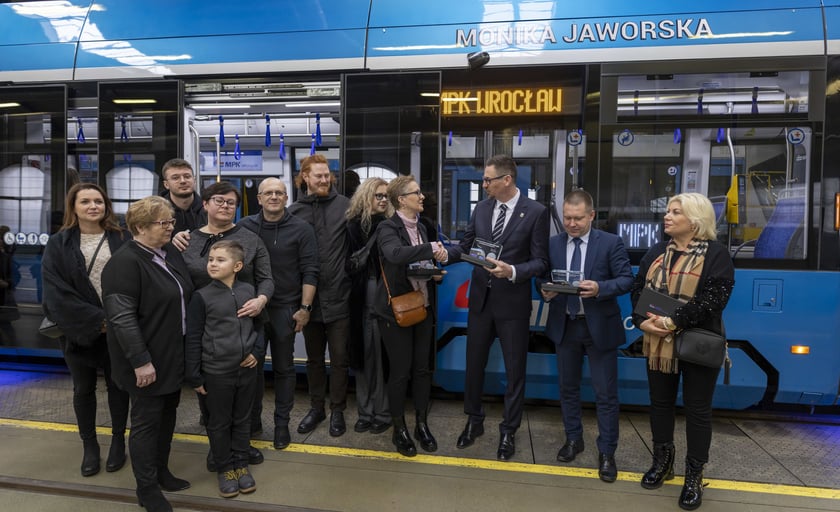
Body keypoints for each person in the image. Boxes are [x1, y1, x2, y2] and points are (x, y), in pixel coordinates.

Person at [630, 193, 735, 511]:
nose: (667, 216)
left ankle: (693, 474)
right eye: (668, 211)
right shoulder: (656, 252)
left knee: (698, 411)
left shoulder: (717, 256)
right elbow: (638, 291)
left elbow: (713, 301)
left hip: (697, 343)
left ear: (695, 220)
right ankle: (663, 460)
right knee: (660, 404)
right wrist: (642, 323)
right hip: (657, 342)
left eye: (676, 212)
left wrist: (673, 321)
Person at [444, 155, 549, 461]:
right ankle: (474, 421)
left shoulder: (536, 212)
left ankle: (508, 430)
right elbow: (465, 247)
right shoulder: (481, 208)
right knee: (473, 365)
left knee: (516, 369)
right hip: (481, 301)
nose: (484, 184)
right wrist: (440, 254)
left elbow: (541, 261)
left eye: (488, 179)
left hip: (512, 303)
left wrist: (513, 271)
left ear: (507, 180)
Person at [102, 196, 194, 512]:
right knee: (146, 423)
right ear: (140, 227)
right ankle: (147, 489)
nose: (171, 227)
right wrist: (141, 361)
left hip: (171, 354)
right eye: (164, 223)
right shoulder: (124, 263)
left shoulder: (166, 254)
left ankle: (162, 470)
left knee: (167, 416)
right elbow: (121, 318)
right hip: (146, 360)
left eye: (171, 221)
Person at [176, 181, 273, 471]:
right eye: (218, 201)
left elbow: (267, 277)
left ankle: (239, 444)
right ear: (204, 204)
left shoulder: (251, 239)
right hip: (204, 326)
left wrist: (261, 299)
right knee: (211, 390)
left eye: (231, 202)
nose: (225, 206)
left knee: (247, 389)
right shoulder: (185, 240)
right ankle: (219, 447)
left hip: (245, 320)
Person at [539, 189, 633, 483]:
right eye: (567, 217)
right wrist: (545, 291)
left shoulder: (610, 243)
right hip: (565, 325)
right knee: (567, 389)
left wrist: (600, 289)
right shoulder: (553, 243)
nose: (572, 224)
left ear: (592, 215)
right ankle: (573, 440)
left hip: (599, 328)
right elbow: (542, 278)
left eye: (578, 218)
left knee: (605, 394)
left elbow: (627, 279)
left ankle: (606, 452)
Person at [42, 183, 131, 477]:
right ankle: (90, 447)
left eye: (98, 201)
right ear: (74, 207)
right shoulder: (59, 243)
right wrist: (98, 320)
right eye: (86, 202)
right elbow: (55, 292)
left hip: (118, 329)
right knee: (83, 389)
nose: (93, 206)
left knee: (119, 387)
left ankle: (119, 441)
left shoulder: (121, 238)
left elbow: (135, 281)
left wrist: (115, 320)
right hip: (77, 331)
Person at [239, 178, 318, 450]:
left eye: (279, 193)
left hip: (286, 309)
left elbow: (310, 270)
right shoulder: (244, 227)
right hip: (253, 311)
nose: (274, 196)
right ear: (259, 198)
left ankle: (281, 424)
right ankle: (253, 421)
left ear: (286, 198)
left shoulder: (302, 229)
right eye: (268, 193)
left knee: (285, 369)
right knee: (253, 369)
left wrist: (305, 309)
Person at [375, 175, 447, 457]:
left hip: (424, 306)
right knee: (400, 372)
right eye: (415, 193)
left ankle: (421, 423)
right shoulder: (387, 228)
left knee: (422, 370)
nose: (422, 197)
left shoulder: (424, 227)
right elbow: (394, 255)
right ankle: (399, 428)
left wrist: (436, 272)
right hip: (397, 311)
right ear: (401, 200)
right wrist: (431, 249)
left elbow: (423, 263)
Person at [186, 240, 261, 498]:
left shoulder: (248, 291)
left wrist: (256, 352)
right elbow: (193, 337)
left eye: (220, 260)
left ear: (237, 266)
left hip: (246, 371)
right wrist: (194, 374)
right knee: (218, 423)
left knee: (242, 419)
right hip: (217, 372)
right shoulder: (201, 297)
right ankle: (225, 469)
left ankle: (241, 464)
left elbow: (260, 326)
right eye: (210, 260)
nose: (213, 264)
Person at [287, 154, 352, 437]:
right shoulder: (294, 211)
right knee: (313, 359)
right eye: (318, 176)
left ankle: (338, 410)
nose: (325, 179)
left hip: (340, 296)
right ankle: (316, 408)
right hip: (308, 301)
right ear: (305, 178)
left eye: (327, 175)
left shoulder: (346, 207)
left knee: (339, 358)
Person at [346, 178, 393, 435]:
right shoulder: (354, 227)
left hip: (385, 299)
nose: (383, 200)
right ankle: (365, 412)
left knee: (382, 359)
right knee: (363, 358)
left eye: (386, 196)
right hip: (360, 298)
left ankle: (382, 412)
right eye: (378, 196)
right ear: (366, 197)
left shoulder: (393, 226)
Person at [160, 158, 206, 235]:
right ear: (166, 184)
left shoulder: (208, 209)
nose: (183, 181)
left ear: (194, 181)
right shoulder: (155, 212)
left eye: (187, 176)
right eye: (175, 178)